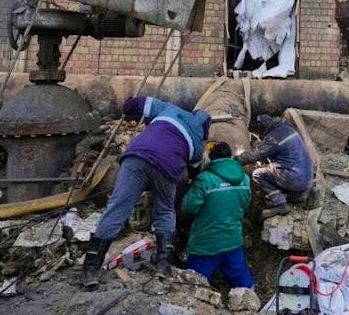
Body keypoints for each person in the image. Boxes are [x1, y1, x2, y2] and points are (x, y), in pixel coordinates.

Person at [82, 95, 210, 288]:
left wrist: (127, 106)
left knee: (116, 209)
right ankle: (163, 266)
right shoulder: (199, 139)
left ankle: (91, 269)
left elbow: (137, 104)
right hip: (167, 167)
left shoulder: (168, 109)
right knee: (165, 210)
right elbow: (194, 171)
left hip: (137, 156)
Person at [181, 141, 254, 289]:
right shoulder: (245, 179)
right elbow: (245, 206)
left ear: (209, 158)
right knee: (245, 286)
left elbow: (188, 207)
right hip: (232, 242)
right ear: (230, 156)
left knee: (191, 286)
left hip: (206, 244)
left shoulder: (205, 180)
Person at [237, 114, 314, 219]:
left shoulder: (273, 138)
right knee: (274, 168)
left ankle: (280, 204)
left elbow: (254, 156)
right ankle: (298, 194)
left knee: (257, 174)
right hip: (307, 176)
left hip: (294, 178)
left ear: (262, 128)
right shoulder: (287, 130)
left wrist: (235, 160)